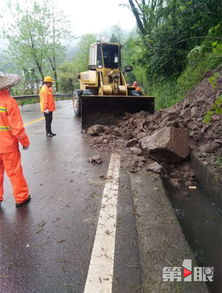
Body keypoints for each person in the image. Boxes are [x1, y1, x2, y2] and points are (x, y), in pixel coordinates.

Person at [0, 72, 31, 207]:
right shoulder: (9, 102)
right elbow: (17, 128)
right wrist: (25, 142)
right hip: (8, 146)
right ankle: (21, 197)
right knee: (14, 172)